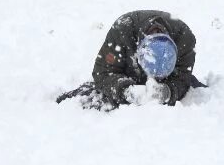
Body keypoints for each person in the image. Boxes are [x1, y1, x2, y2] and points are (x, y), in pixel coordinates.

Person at [57, 10, 205, 109]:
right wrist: (126, 91)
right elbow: (103, 73)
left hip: (168, 79)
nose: (154, 78)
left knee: (194, 90)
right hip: (128, 73)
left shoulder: (184, 38)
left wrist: (168, 92)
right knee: (92, 97)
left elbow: (182, 78)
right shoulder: (122, 30)